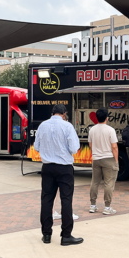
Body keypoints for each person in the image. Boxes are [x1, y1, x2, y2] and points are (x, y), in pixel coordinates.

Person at [35, 104, 83, 246]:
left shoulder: (42, 125)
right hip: (64, 168)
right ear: (64, 113)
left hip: (47, 167)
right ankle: (66, 235)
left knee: (47, 200)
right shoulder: (67, 126)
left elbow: (36, 147)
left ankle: (47, 234)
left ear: (53, 113)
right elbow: (74, 148)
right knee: (66, 200)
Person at [88, 107, 119, 215]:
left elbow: (90, 145)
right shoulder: (110, 130)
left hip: (96, 159)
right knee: (108, 183)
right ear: (107, 118)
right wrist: (116, 160)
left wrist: (94, 155)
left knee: (95, 182)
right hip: (108, 158)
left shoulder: (92, 129)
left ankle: (92, 205)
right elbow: (114, 147)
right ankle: (107, 207)